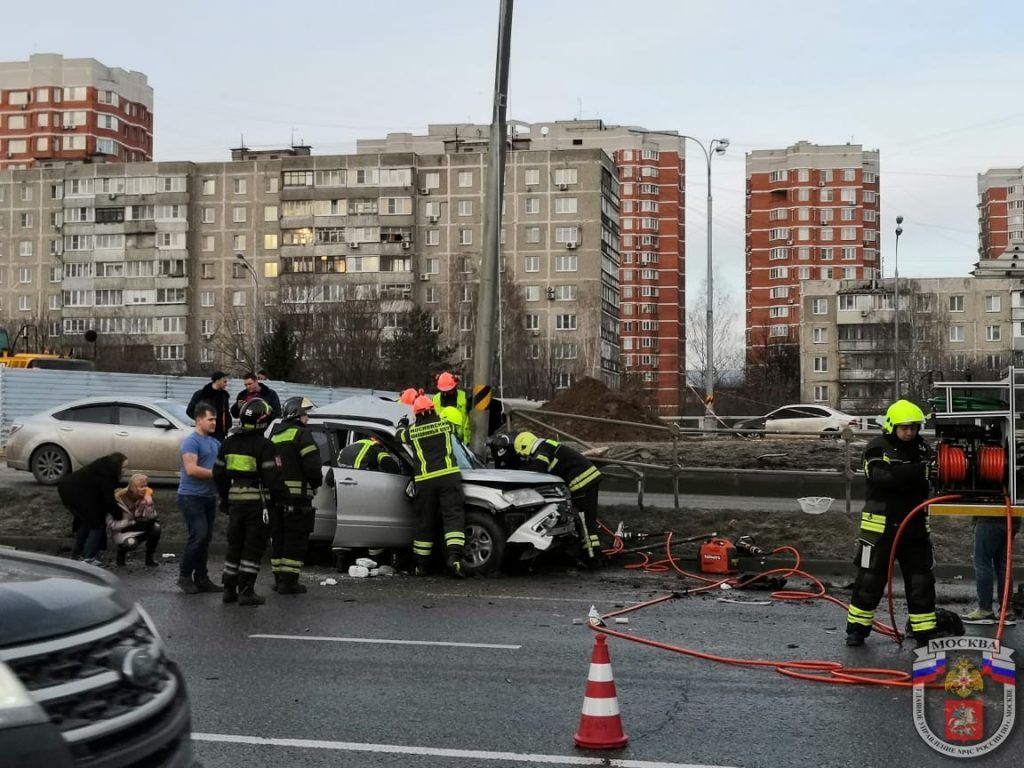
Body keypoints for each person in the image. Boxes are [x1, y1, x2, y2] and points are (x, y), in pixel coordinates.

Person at [846, 399, 938, 647]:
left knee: (921, 582)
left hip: (915, 528)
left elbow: (936, 477)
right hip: (879, 530)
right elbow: (880, 477)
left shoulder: (923, 450)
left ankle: (924, 632)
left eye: (914, 427)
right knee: (869, 581)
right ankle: (857, 630)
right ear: (891, 426)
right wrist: (919, 472)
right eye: (904, 427)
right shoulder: (877, 448)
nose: (909, 432)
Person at [214, 398, 287, 606]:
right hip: (259, 505)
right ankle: (246, 591)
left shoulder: (228, 443)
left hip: (235, 503)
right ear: (263, 421)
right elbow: (273, 479)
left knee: (234, 546)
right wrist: (284, 499)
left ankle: (229, 589)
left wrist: (226, 499)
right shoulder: (265, 446)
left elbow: (218, 474)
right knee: (252, 548)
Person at [398, 395, 465, 577]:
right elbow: (456, 428)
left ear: (416, 414)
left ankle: (422, 566)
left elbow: (399, 436)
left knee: (425, 522)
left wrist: (402, 424)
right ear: (433, 409)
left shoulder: (412, 431)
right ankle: (454, 559)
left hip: (426, 481)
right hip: (449, 477)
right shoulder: (445, 425)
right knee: (453, 517)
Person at [514, 432, 603, 561]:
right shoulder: (547, 445)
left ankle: (593, 559)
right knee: (585, 521)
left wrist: (517, 473)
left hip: (582, 483)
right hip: (587, 480)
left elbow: (537, 469)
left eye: (524, 455)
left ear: (524, 446)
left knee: (585, 522)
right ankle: (589, 554)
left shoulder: (542, 451)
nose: (526, 458)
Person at [267, 396, 323, 595]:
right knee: (296, 539)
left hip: (276, 498)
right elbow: (313, 466)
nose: (307, 418)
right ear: (296, 414)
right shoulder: (302, 435)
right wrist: (316, 484)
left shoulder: (275, 435)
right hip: (298, 498)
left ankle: (279, 579)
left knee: (279, 538)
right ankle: (289, 583)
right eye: (305, 414)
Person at [177, 403, 223, 595]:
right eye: (210, 419)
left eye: (215, 419)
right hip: (190, 497)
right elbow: (191, 469)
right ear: (198, 420)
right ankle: (184, 576)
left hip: (208, 497)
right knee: (199, 535)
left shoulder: (215, 443)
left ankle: (202, 578)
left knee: (205, 539)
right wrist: (218, 474)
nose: (214, 423)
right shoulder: (191, 442)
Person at [59, 452, 127, 565]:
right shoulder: (106, 476)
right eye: (123, 467)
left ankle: (77, 554)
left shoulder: (101, 468)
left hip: (69, 491)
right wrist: (118, 514)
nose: (125, 470)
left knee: (86, 523)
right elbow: (108, 499)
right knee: (97, 525)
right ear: (117, 466)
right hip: (77, 495)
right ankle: (88, 557)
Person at [963, 514, 1021, 623]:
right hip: (1011, 520)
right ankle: (1006, 611)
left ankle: (985, 610)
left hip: (988, 518)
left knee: (983, 564)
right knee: (1004, 566)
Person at [109, 473, 161, 567]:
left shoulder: (144, 497)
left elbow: (151, 517)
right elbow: (110, 523)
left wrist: (148, 503)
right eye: (141, 486)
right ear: (133, 487)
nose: (145, 489)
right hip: (122, 531)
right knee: (131, 543)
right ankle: (121, 554)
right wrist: (127, 523)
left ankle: (149, 558)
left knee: (156, 528)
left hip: (138, 527)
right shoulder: (117, 498)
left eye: (146, 486)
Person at [186, 371, 232, 441]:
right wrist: (203, 421)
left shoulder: (224, 396)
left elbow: (226, 413)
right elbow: (190, 411)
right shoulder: (201, 394)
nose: (226, 384)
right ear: (218, 381)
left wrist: (228, 425)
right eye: (224, 382)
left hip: (220, 435)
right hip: (205, 434)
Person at [433, 371, 471, 445]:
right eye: (444, 391)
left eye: (449, 391)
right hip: (442, 441)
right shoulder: (435, 399)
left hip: (461, 442)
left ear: (455, 387)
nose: (446, 393)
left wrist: (467, 442)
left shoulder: (464, 397)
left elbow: (469, 421)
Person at [337, 434, 403, 474]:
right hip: (363, 483)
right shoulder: (376, 448)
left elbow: (329, 479)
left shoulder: (352, 445)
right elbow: (392, 468)